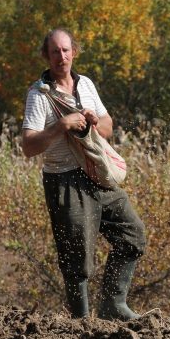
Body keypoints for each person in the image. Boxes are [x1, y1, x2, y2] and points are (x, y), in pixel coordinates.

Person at [21, 28, 146, 320]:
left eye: (65, 50)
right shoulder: (38, 94)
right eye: (54, 51)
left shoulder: (86, 84)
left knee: (132, 234)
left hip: (97, 174)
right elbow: (28, 146)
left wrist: (94, 120)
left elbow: (108, 126)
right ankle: (81, 325)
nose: (61, 57)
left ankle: (113, 305)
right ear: (46, 56)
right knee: (77, 259)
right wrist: (60, 126)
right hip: (64, 180)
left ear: (74, 52)